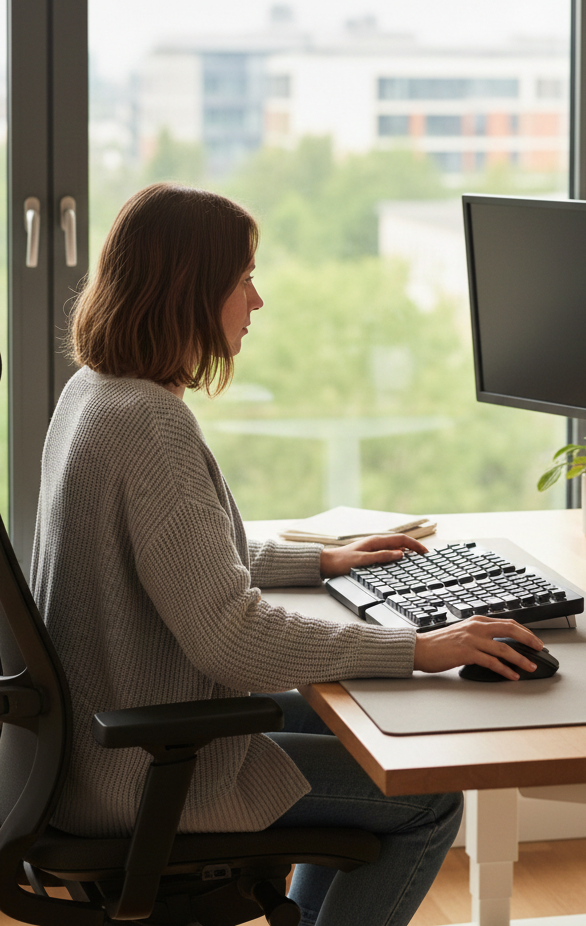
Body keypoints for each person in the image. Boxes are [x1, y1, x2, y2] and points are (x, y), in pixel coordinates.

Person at [31, 182, 544, 926]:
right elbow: (231, 640)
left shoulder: (97, 393)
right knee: (428, 796)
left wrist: (320, 563)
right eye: (243, 280)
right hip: (143, 773)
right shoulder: (149, 425)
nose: (257, 301)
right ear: (190, 291)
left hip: (98, 744)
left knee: (345, 717)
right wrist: (417, 648)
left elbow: (183, 556)